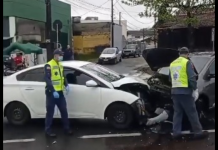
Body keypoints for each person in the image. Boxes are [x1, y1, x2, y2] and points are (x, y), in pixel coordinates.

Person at [169, 47, 208, 140]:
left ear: (179, 54)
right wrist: (194, 89)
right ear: (187, 54)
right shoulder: (187, 62)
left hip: (174, 91)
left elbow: (170, 79)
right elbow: (191, 78)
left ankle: (176, 133)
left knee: (177, 113)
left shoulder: (172, 63)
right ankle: (198, 133)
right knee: (192, 112)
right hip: (185, 92)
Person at [44, 49, 72, 137]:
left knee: (64, 111)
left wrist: (66, 85)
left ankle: (66, 129)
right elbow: (47, 79)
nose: (61, 57)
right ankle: (48, 131)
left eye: (61, 55)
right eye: (60, 55)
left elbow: (63, 76)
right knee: (50, 113)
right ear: (55, 55)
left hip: (60, 93)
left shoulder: (60, 65)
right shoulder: (49, 65)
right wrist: (53, 91)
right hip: (51, 93)